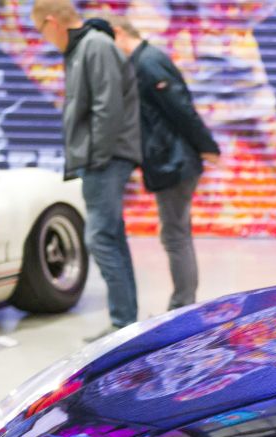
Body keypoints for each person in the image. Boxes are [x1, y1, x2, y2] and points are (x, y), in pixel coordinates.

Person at [30, 0, 140, 337]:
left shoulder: (95, 45)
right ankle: (127, 322)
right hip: (99, 158)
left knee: (100, 237)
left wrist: (97, 157)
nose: (44, 39)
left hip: (103, 160)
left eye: (41, 31)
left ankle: (123, 325)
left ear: (52, 22)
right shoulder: (85, 48)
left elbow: (108, 107)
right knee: (111, 236)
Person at [111, 17, 219, 309]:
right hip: (169, 160)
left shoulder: (148, 62)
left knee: (175, 235)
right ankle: (182, 302)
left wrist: (206, 146)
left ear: (119, 33)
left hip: (175, 162)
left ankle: (182, 306)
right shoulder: (140, 62)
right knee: (175, 232)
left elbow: (180, 108)